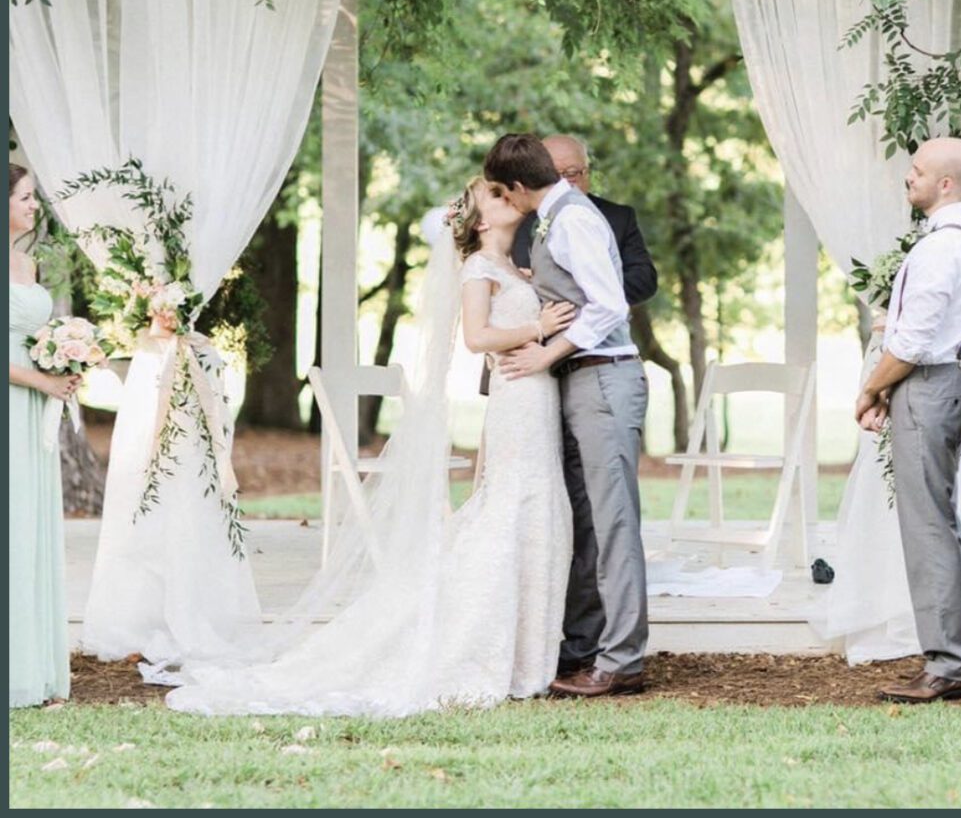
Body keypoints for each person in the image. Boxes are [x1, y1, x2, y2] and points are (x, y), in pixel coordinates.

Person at [164, 177, 575, 716]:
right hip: (517, 396)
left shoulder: (509, 269)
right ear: (480, 222)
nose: (508, 198)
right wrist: (536, 325)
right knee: (510, 506)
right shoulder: (478, 270)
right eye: (496, 196)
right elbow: (476, 338)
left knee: (532, 504)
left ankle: (528, 654)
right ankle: (483, 645)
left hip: (533, 393)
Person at [485, 133, 650, 698]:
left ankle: (622, 659)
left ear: (517, 186)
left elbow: (609, 305)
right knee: (596, 524)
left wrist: (545, 353)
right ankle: (600, 650)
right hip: (584, 381)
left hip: (604, 377)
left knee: (614, 524)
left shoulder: (573, 219)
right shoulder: (561, 216)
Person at [854, 138, 961, 703]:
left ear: (947, 184)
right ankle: (960, 656)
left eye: (917, 170)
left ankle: (949, 664)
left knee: (928, 526)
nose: (907, 177)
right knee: (940, 522)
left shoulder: (943, 247)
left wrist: (871, 388)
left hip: (930, 387)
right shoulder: (956, 238)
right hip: (936, 382)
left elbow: (911, 342)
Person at [9, 164, 79, 708]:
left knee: (28, 526)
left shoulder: (28, 263)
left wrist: (67, 355)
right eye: (27, 197)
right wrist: (41, 378)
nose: (35, 207)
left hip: (32, 405)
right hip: (16, 395)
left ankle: (30, 666)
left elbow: (32, 336)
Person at [513, 135, 658, 306]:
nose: (561, 185)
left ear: (586, 172)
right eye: (551, 175)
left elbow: (644, 280)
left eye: (571, 174)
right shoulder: (517, 218)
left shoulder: (618, 217)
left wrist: (578, 291)